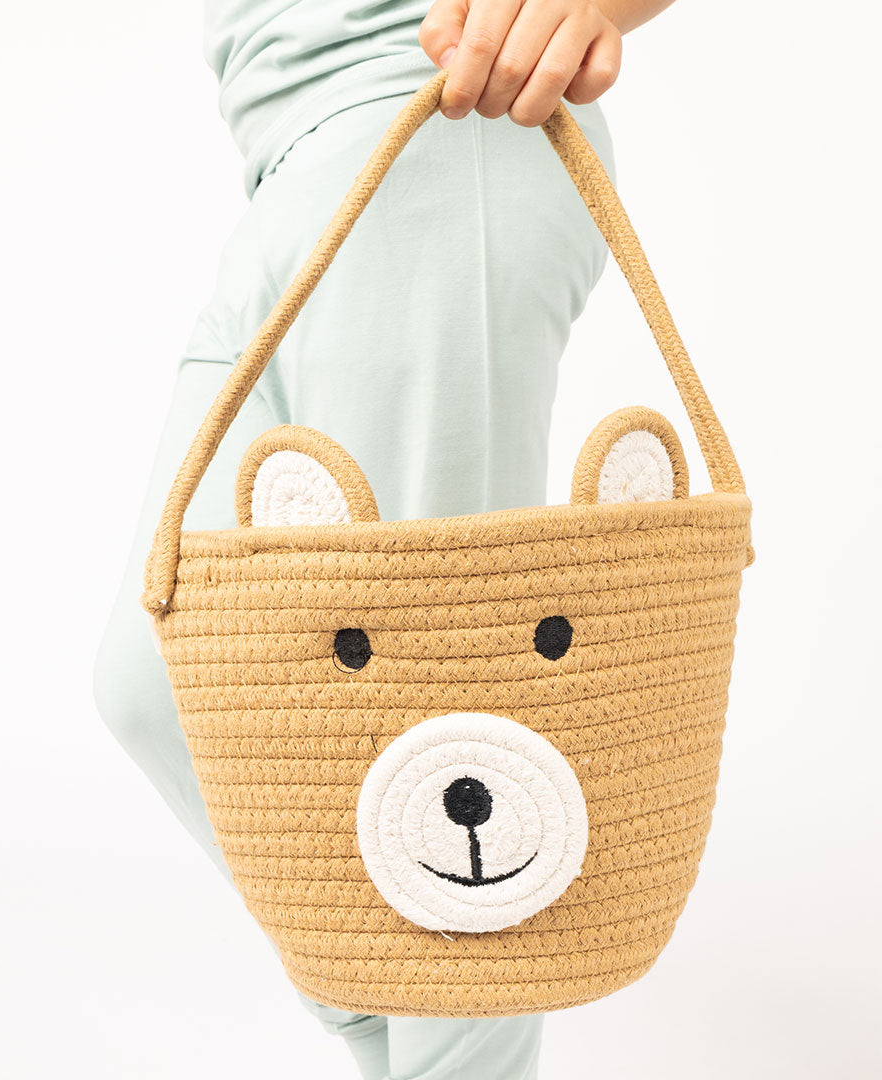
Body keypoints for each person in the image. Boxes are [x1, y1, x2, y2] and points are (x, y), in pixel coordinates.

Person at [94, 1, 676, 1076]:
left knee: (461, 752)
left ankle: (438, 1040)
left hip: (442, 135)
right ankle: (399, 1030)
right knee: (152, 676)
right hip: (291, 174)